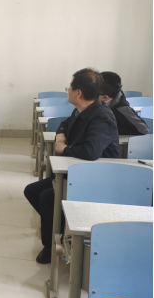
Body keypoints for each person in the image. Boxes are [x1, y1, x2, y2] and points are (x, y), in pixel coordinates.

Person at [24, 68, 119, 264]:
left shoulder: (102, 116)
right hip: (76, 172)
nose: (68, 91)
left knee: (48, 197)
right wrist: (60, 135)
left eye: (70, 88)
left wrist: (64, 148)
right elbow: (64, 124)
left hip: (96, 179)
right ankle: (60, 229)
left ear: (79, 93)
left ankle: (51, 246)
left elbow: (91, 152)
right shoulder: (81, 109)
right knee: (32, 191)